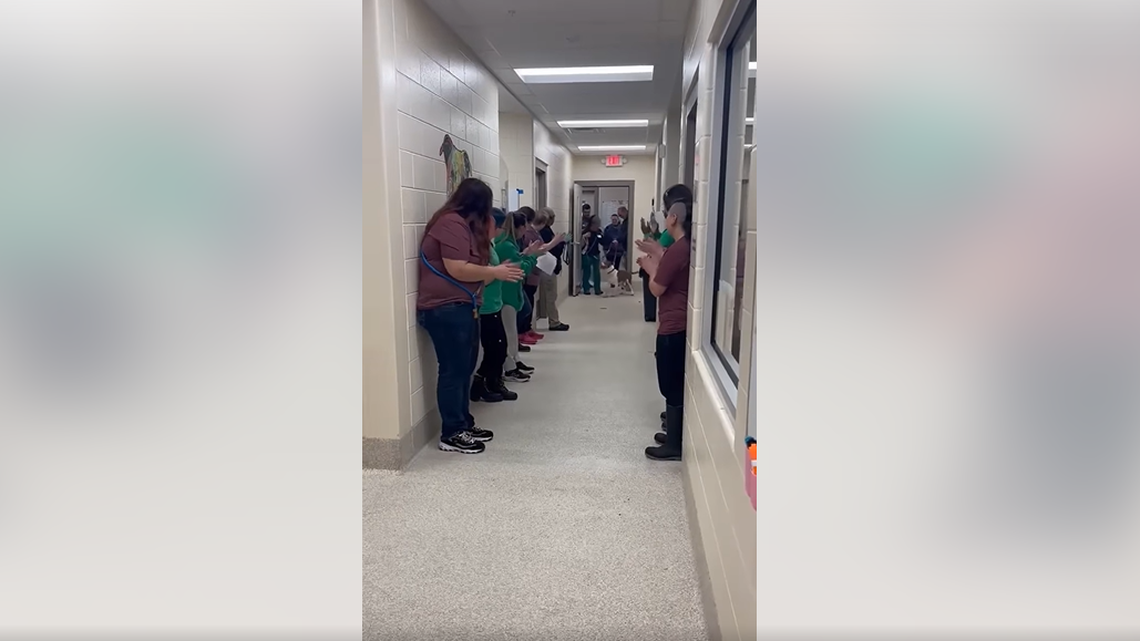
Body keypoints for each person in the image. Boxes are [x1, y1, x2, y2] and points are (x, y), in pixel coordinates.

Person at [417, 178, 523, 454]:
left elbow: (477, 268)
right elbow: (458, 269)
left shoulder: (465, 226)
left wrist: (490, 258)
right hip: (445, 307)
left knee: (465, 368)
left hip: (463, 305)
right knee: (454, 370)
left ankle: (463, 422)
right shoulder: (450, 224)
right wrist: (495, 272)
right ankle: (452, 432)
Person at [636, 184, 693, 461]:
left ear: (673, 217)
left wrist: (649, 268)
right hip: (679, 321)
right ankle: (674, 433)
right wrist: (659, 255)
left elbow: (658, 288)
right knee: (673, 384)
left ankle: (674, 444)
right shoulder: (683, 247)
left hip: (673, 325)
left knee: (670, 384)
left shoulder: (680, 249)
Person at [470, 208, 522, 404]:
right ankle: (482, 383)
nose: (500, 230)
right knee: (495, 350)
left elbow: (491, 270)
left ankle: (492, 382)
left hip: (494, 304)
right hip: (485, 307)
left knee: (498, 349)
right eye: (498, 226)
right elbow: (480, 277)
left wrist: (502, 268)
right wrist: (497, 273)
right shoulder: (479, 247)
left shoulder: (489, 245)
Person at [537, 206, 570, 331]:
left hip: (546, 267)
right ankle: (554, 322)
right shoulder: (545, 232)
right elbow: (552, 250)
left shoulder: (545, 230)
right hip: (547, 267)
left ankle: (553, 320)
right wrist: (561, 242)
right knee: (551, 296)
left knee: (551, 295)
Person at [517, 207, 545, 344]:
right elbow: (522, 258)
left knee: (529, 304)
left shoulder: (529, 232)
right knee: (524, 306)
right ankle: (521, 333)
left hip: (531, 273)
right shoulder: (525, 235)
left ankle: (526, 330)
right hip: (525, 276)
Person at [580, 216, 603, 295]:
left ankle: (597, 289)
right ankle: (586, 289)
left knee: (597, 272)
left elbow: (603, 242)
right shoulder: (586, 232)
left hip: (596, 254)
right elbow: (581, 245)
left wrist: (601, 236)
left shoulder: (599, 232)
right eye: (597, 225)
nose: (598, 227)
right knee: (587, 272)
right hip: (587, 254)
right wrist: (584, 237)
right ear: (592, 224)